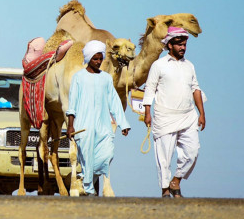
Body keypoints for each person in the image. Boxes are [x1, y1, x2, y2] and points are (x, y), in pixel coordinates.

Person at [141, 27, 205, 198]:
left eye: (184, 44)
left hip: (188, 115)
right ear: (169, 45)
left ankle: (176, 180)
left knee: (192, 152)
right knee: (164, 157)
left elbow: (196, 89)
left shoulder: (189, 66)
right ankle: (165, 191)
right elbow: (149, 89)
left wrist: (202, 113)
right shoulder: (158, 65)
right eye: (179, 45)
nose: (183, 48)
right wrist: (147, 113)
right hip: (164, 116)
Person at [66, 40, 130, 196]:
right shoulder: (78, 77)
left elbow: (114, 101)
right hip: (84, 125)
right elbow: (72, 103)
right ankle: (88, 189)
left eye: (100, 59)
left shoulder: (106, 78)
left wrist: (123, 124)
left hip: (103, 125)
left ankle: (84, 180)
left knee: (106, 155)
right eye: (95, 59)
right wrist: (70, 125)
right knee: (87, 158)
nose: (98, 62)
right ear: (88, 58)